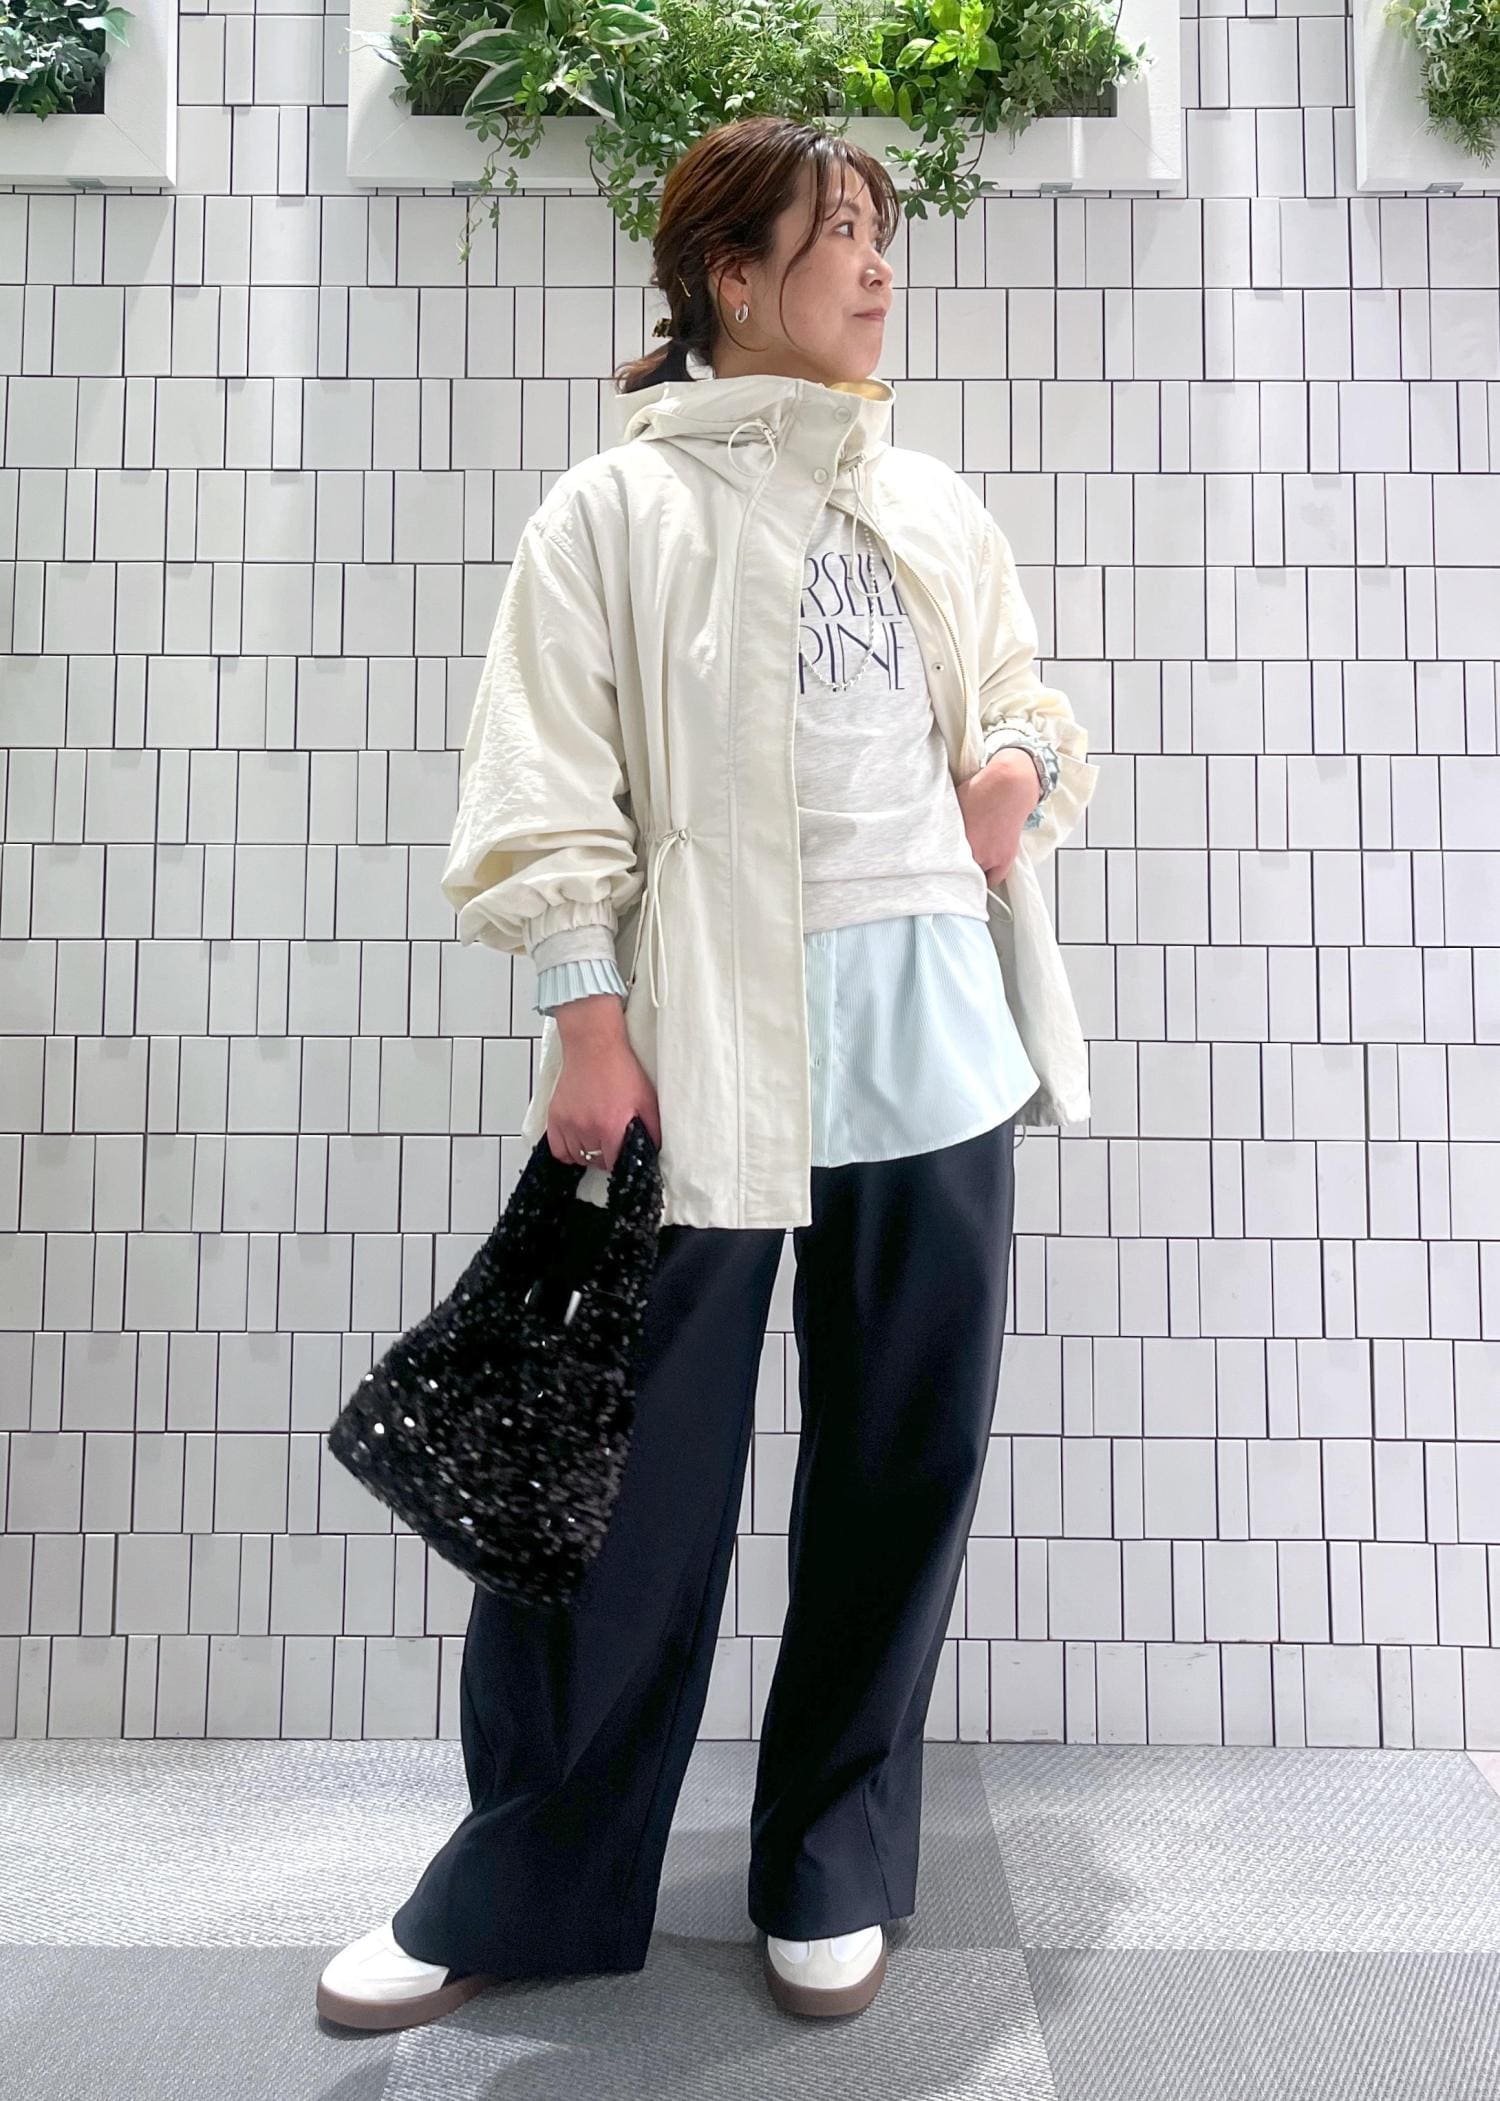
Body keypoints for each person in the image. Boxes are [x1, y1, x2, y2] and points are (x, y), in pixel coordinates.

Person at [317, 113, 1099, 2033]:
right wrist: (584, 1016)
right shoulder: (615, 512)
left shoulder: (932, 506)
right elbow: (543, 783)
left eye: (886, 235)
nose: (881, 268)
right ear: (731, 277)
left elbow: (1022, 696)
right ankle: (523, 1876)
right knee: (620, 1488)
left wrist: (1017, 769)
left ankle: (829, 1856)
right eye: (843, 235)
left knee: (902, 1463)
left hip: (935, 1039)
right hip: (701, 1053)